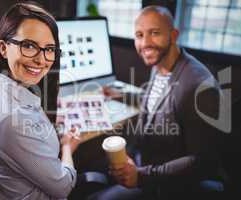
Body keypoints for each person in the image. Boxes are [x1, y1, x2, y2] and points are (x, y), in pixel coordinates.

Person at [89, 5, 223, 200]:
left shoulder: (199, 86)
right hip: (144, 160)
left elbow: (203, 161)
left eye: (154, 33)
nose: (145, 43)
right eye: (139, 35)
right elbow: (160, 103)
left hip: (164, 182)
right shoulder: (161, 63)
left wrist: (141, 175)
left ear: (174, 35)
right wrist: (121, 95)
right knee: (91, 172)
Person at [0, 2, 81, 200]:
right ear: (3, 48)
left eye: (49, 49)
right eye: (28, 45)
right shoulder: (11, 120)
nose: (41, 60)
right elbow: (63, 187)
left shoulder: (6, 86)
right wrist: (68, 146)